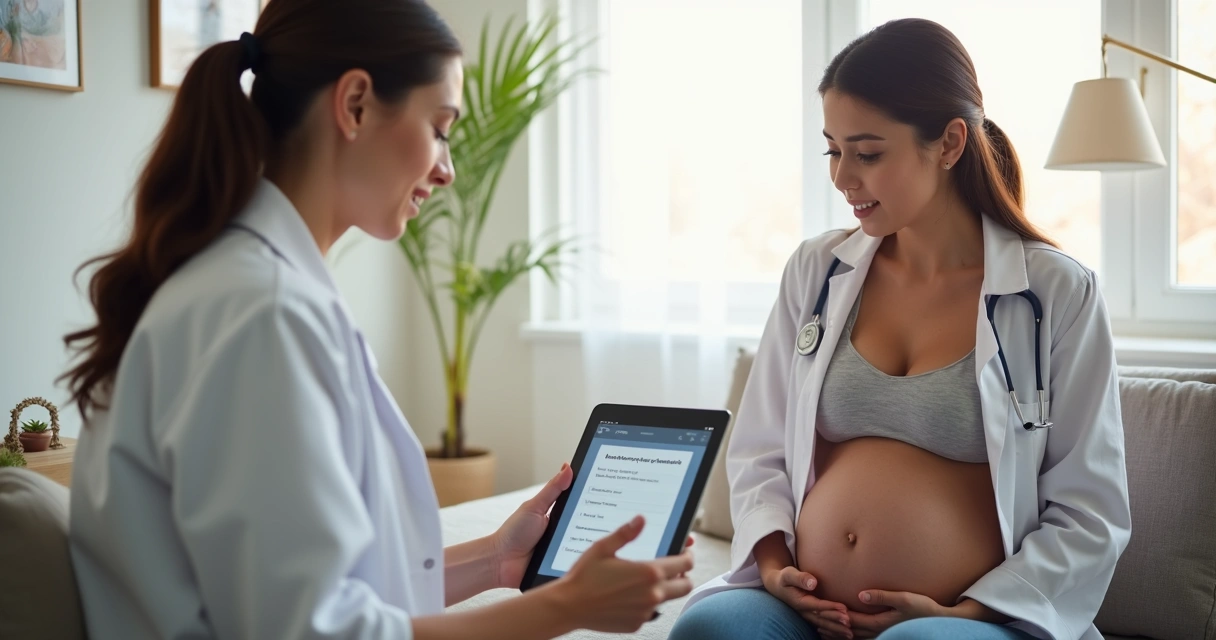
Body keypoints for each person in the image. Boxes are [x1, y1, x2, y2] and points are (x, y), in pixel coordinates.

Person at [62, 1, 692, 638]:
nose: (446, 169)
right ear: (356, 103)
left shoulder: (254, 290)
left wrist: (498, 557)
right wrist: (564, 609)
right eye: (440, 126)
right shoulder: (263, 315)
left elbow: (332, 591)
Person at [669, 18, 1130, 640]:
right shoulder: (817, 271)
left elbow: (1090, 510)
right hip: (807, 604)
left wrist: (964, 613)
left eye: (868, 153)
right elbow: (760, 449)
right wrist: (776, 568)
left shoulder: (1056, 292)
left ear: (948, 143)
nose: (842, 177)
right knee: (711, 628)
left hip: (973, 618)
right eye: (833, 150)